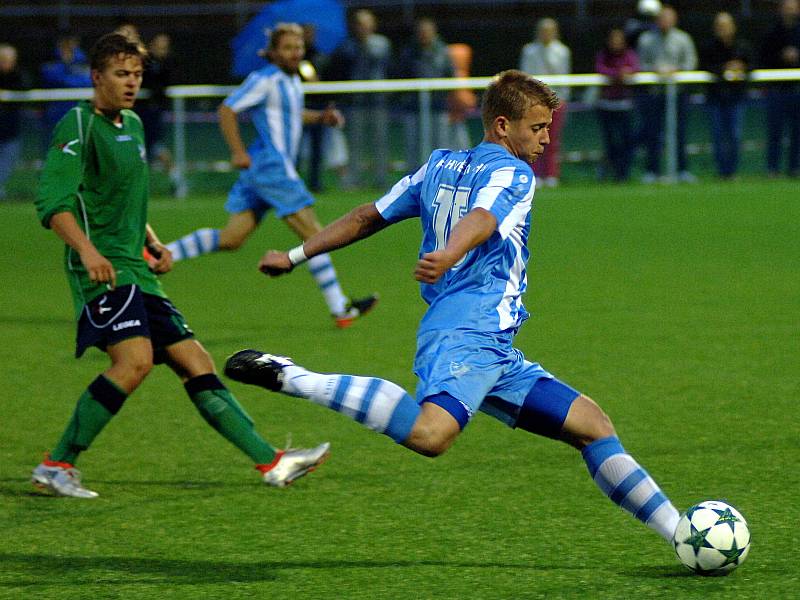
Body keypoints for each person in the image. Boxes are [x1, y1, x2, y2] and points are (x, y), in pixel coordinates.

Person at [225, 70, 682, 546]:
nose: (547, 139)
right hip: (469, 329)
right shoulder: (513, 172)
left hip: (492, 341)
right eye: (537, 127)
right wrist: (451, 253)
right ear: (502, 126)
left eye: (548, 127)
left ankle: (680, 535)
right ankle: (290, 376)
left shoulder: (438, 165)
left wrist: (295, 255)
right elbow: (482, 218)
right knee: (430, 435)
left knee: (592, 426)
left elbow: (367, 216)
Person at [31, 33, 329, 499]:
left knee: (196, 362)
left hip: (137, 268)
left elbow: (128, 198)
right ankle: (56, 465)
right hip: (105, 270)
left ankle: (272, 462)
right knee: (134, 363)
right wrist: (89, 252)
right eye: (120, 74)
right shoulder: (77, 124)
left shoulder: (132, 123)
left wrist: (153, 242)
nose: (131, 84)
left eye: (137, 75)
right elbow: (53, 203)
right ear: (96, 77)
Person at [165, 23, 377, 328]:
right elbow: (227, 110)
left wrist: (321, 117)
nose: (296, 53)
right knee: (316, 237)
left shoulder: (291, 79)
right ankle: (341, 309)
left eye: (299, 47)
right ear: (274, 53)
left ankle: (159, 254)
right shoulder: (264, 79)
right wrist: (237, 151)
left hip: (265, 171)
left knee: (232, 238)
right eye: (289, 48)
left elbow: (291, 113)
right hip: (271, 167)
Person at [327, 9, 392, 188]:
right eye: (360, 24)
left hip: (378, 101)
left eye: (367, 23)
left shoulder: (382, 44)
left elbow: (384, 66)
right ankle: (354, 179)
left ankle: (380, 179)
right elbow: (340, 71)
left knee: (380, 142)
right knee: (355, 143)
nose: (364, 28)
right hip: (355, 102)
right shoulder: (347, 46)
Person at [636, 5, 698, 183]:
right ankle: (652, 171)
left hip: (677, 93)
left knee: (679, 132)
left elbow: (691, 62)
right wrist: (655, 70)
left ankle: (682, 170)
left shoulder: (683, 39)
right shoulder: (646, 39)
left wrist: (676, 70)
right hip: (654, 93)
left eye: (668, 18)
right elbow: (640, 64)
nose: (664, 22)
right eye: (661, 18)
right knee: (652, 132)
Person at [393, 17, 455, 170]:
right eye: (421, 32)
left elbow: (450, 75)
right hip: (413, 107)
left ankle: (441, 176)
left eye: (427, 31)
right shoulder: (409, 52)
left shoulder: (443, 51)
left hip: (437, 106)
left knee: (440, 144)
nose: (424, 35)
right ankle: (415, 177)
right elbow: (401, 75)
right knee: (413, 145)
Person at [519, 18, 571, 188]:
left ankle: (551, 174)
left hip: (555, 101)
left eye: (549, 31)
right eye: (543, 30)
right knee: (532, 140)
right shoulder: (529, 50)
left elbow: (563, 76)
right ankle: (534, 173)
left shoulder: (562, 51)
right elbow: (525, 77)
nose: (546, 34)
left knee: (552, 140)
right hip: (534, 103)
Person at [700, 12, 752, 179]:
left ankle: (732, 171)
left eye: (726, 25)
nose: (723, 29)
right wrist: (724, 67)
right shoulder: (708, 46)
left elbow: (753, 65)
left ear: (733, 27)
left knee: (735, 135)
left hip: (736, 98)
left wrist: (741, 67)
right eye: (719, 26)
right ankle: (722, 172)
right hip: (716, 98)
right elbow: (704, 66)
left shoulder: (742, 46)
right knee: (718, 136)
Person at [759, 0, 800, 177]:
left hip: (797, 90)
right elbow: (763, 58)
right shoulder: (771, 33)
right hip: (777, 90)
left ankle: (795, 167)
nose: (789, 11)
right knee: (775, 131)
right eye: (786, 7)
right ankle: (772, 168)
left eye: (793, 8)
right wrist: (781, 56)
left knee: (797, 132)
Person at [595, 27, 640, 181]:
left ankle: (623, 173)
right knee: (610, 142)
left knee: (626, 141)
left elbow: (635, 68)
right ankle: (611, 171)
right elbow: (600, 69)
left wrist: (626, 73)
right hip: (606, 105)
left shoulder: (629, 54)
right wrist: (618, 74)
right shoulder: (603, 55)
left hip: (625, 105)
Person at [139, 33, 178, 186]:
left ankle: (176, 180)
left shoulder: (168, 64)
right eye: (159, 46)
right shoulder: (144, 63)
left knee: (155, 146)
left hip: (154, 113)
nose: (162, 50)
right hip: (139, 112)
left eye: (165, 47)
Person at [0, 43, 26, 200]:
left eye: (8, 59)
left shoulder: (18, 76)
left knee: (7, 161)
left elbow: (25, 86)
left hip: (10, 131)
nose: (5, 63)